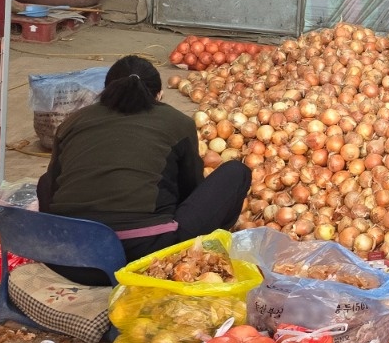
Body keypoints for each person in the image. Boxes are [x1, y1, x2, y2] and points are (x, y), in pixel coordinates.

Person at [37, 55, 251, 271]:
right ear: (159, 95)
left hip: (67, 258)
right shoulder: (178, 122)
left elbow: (53, 185)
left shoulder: (72, 121)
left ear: (107, 90)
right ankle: (197, 259)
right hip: (143, 257)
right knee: (236, 171)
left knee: (46, 180)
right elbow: (190, 191)